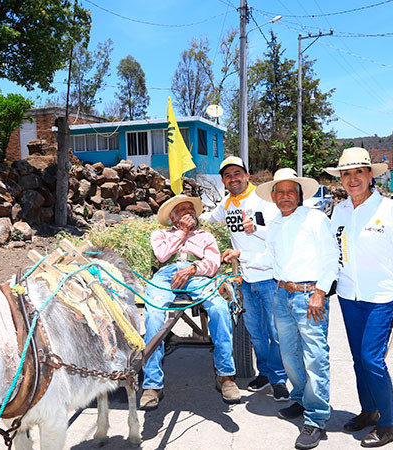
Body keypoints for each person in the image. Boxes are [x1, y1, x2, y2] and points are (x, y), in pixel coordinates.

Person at [324, 147, 393, 448]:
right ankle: (369, 411)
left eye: (358, 173)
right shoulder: (340, 211)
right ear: (341, 178)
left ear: (370, 175)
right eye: (346, 174)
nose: (352, 179)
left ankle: (388, 424)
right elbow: (333, 253)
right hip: (349, 297)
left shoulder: (389, 210)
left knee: (372, 359)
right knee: (358, 360)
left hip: (382, 298)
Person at [247, 168, 340, 450]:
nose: (285, 196)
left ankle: (316, 419)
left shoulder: (315, 218)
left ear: (299, 195)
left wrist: (320, 292)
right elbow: (271, 257)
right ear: (273, 196)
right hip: (282, 294)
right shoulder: (275, 223)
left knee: (314, 357)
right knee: (288, 356)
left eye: (291, 191)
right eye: (280, 192)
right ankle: (300, 398)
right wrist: (243, 258)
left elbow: (331, 255)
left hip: (310, 295)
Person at [200, 156, 289, 401]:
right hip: (245, 279)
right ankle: (265, 372)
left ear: (247, 175)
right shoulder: (227, 204)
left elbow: (280, 233)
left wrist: (256, 229)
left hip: (270, 276)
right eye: (228, 176)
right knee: (256, 332)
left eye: (237, 173)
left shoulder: (263, 199)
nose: (233, 178)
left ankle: (279, 379)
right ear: (223, 181)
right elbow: (207, 220)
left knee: (275, 331)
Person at [139, 194, 239, 410]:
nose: (189, 212)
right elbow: (163, 255)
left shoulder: (206, 236)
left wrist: (193, 268)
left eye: (191, 209)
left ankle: (226, 376)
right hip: (166, 274)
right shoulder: (160, 235)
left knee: (220, 308)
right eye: (183, 209)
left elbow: (212, 264)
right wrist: (182, 233)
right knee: (153, 314)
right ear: (174, 218)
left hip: (198, 275)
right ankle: (152, 385)